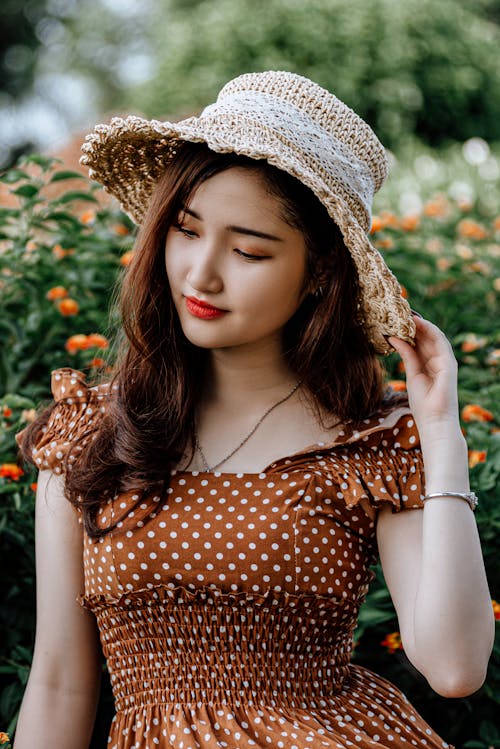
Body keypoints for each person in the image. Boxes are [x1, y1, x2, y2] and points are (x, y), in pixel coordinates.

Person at [14, 71, 494, 749]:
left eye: (248, 250)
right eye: (186, 230)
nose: (200, 273)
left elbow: (454, 666)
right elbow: (60, 681)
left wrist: (441, 429)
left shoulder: (370, 440)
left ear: (321, 270)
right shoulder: (90, 432)